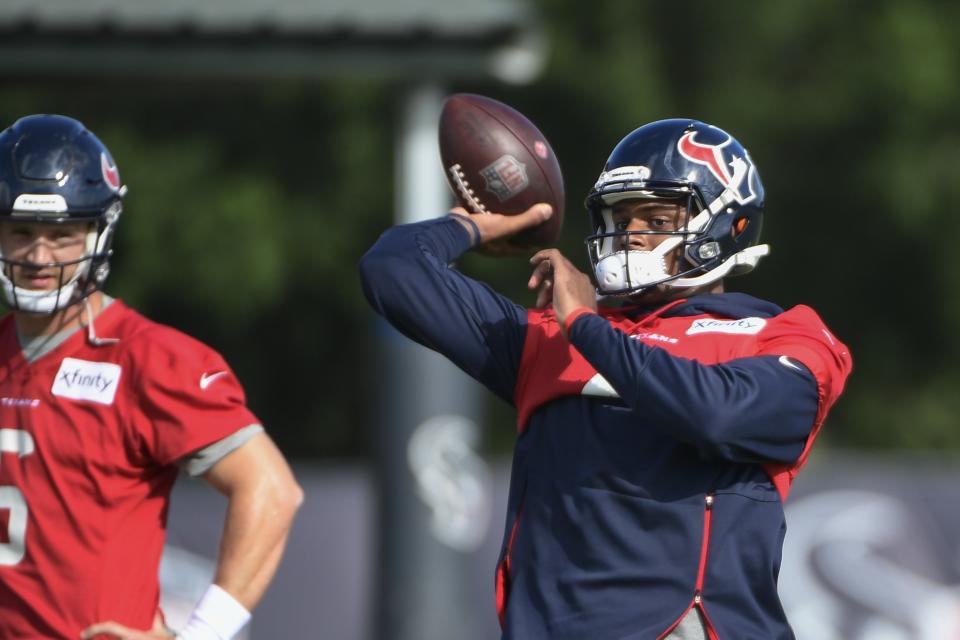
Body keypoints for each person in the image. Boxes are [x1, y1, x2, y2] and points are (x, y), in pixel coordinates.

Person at [360, 118, 852, 639]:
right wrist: (477, 226)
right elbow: (392, 271)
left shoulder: (780, 334)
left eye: (657, 218)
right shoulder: (547, 341)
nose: (632, 234)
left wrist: (588, 328)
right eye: (623, 217)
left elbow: (720, 414)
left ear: (727, 224)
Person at [0, 114, 303, 640]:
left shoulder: (148, 358)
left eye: (62, 235)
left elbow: (271, 490)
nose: (39, 255)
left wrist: (202, 635)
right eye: (22, 232)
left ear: (98, 233)